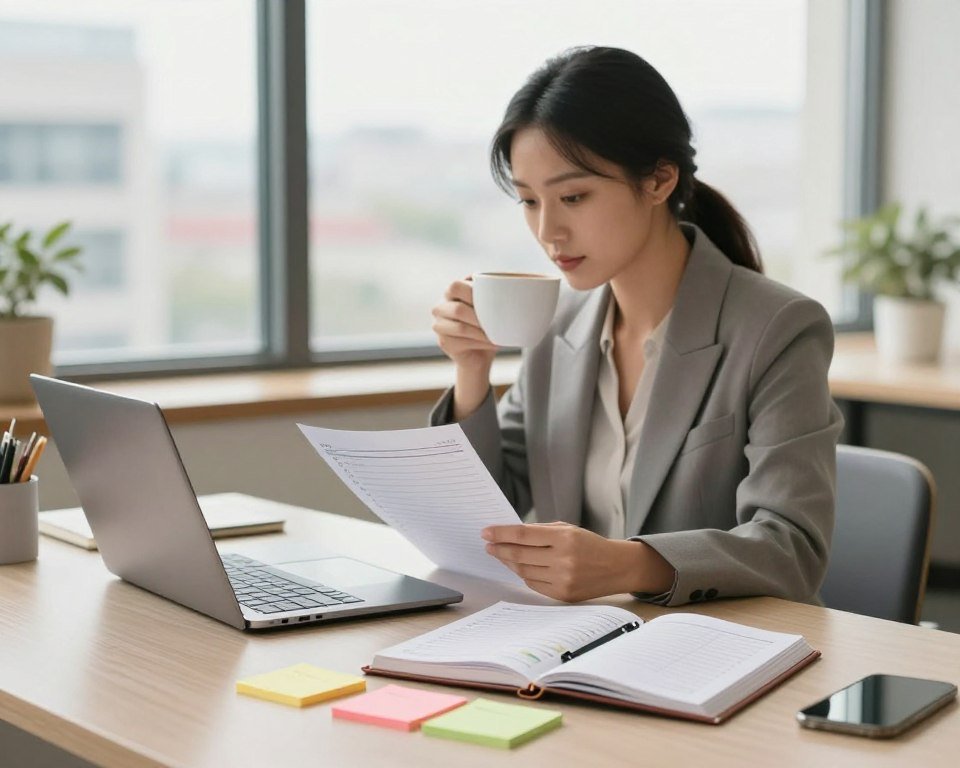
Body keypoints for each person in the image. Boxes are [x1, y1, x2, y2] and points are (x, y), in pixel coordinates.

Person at [429, 46, 843, 606]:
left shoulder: (777, 328)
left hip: (723, 653)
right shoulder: (558, 326)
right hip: (578, 650)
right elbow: (489, 510)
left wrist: (630, 565)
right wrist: (472, 372)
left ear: (659, 181)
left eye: (573, 196)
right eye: (529, 201)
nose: (549, 231)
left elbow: (791, 549)